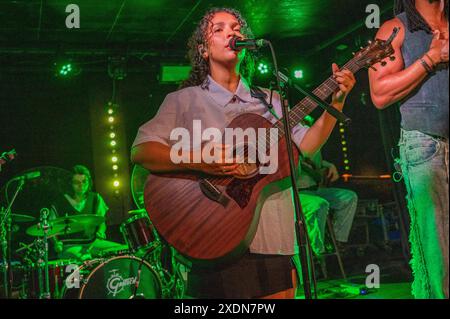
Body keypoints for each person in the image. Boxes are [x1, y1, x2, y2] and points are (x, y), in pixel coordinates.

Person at [131, 7, 355, 299]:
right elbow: (142, 150)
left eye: (236, 28)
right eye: (219, 29)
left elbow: (307, 145)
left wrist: (336, 103)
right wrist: (202, 162)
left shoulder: (273, 100)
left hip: (272, 239)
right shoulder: (183, 101)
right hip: (208, 236)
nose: (232, 33)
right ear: (203, 49)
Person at [368, 0, 448, 299]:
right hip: (425, 144)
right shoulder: (394, 29)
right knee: (437, 248)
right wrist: (431, 58)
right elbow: (379, 93)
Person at [296, 136, 358, 256]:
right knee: (319, 204)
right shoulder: (290, 138)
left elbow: (316, 162)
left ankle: (336, 240)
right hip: (298, 193)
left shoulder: (312, 135)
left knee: (349, 197)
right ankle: (317, 250)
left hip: (315, 189)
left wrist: (329, 165)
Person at [50, 165, 123, 260]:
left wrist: (101, 232)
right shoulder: (60, 202)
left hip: (92, 242)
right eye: (77, 182)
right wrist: (56, 243)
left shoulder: (96, 198)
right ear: (70, 184)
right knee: (85, 258)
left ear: (89, 182)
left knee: (120, 251)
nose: (81, 185)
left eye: (84, 181)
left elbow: (101, 221)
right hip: (69, 245)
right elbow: (51, 227)